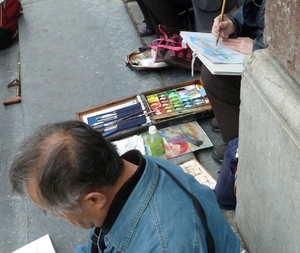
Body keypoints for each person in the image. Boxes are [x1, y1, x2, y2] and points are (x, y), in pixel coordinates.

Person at [9, 120, 240, 253]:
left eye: (55, 211)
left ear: (94, 200)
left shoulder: (164, 245)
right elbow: (98, 242)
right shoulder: (129, 171)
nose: (58, 217)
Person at [201, 0, 266, 164]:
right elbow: (257, 8)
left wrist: (258, 46)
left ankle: (238, 148)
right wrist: (232, 21)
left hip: (275, 56)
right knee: (213, 62)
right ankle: (229, 116)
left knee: (213, 75)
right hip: (261, 37)